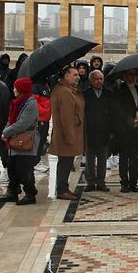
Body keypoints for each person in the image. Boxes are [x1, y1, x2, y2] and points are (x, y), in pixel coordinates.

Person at [0, 78, 40, 206]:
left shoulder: (30, 104)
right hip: (15, 139)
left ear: (21, 89)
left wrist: (6, 132)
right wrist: (6, 131)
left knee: (24, 169)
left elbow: (23, 124)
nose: (14, 90)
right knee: (12, 167)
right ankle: (13, 191)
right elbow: (11, 119)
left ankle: (30, 193)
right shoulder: (17, 102)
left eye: (16, 88)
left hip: (25, 140)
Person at [49, 66, 85, 200]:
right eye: (75, 75)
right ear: (66, 76)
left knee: (66, 162)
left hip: (66, 133)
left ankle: (64, 188)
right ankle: (62, 190)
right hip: (67, 134)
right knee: (65, 163)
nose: (78, 77)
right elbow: (67, 117)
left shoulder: (66, 89)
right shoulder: (64, 92)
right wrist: (70, 137)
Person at [113, 69, 138, 193]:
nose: (131, 77)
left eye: (133, 75)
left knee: (135, 157)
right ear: (124, 76)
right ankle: (124, 183)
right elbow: (117, 109)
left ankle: (133, 183)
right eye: (129, 75)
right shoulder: (119, 90)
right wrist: (130, 120)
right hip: (125, 129)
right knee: (124, 157)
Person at [82, 70, 113, 192]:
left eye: (101, 79)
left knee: (102, 158)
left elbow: (113, 113)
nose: (99, 81)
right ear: (91, 81)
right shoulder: (85, 94)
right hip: (90, 131)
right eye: (96, 79)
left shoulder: (109, 93)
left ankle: (101, 182)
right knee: (89, 159)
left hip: (104, 131)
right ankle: (90, 182)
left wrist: (112, 130)